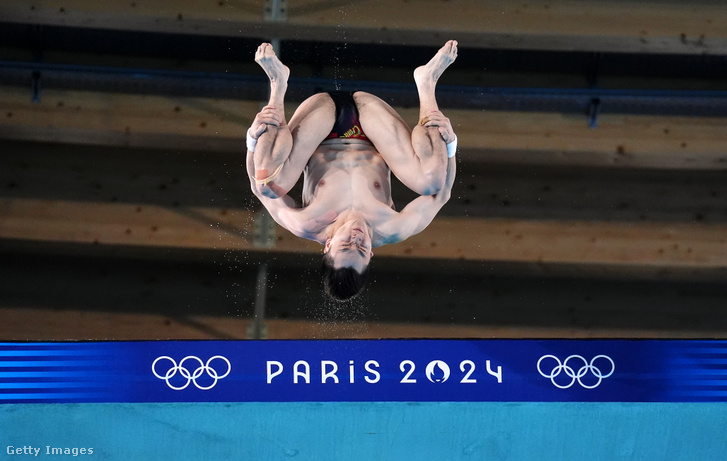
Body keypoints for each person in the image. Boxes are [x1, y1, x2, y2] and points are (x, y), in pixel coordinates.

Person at [246, 40, 458, 301]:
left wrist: (252, 140)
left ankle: (277, 85)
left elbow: (258, 189)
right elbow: (443, 194)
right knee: (433, 182)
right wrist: (449, 145)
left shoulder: (305, 223)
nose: (356, 239)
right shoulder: (393, 227)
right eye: (361, 249)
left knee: (269, 185)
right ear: (371, 254)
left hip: (321, 124)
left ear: (327, 247)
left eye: (346, 244)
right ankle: (427, 84)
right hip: (372, 126)